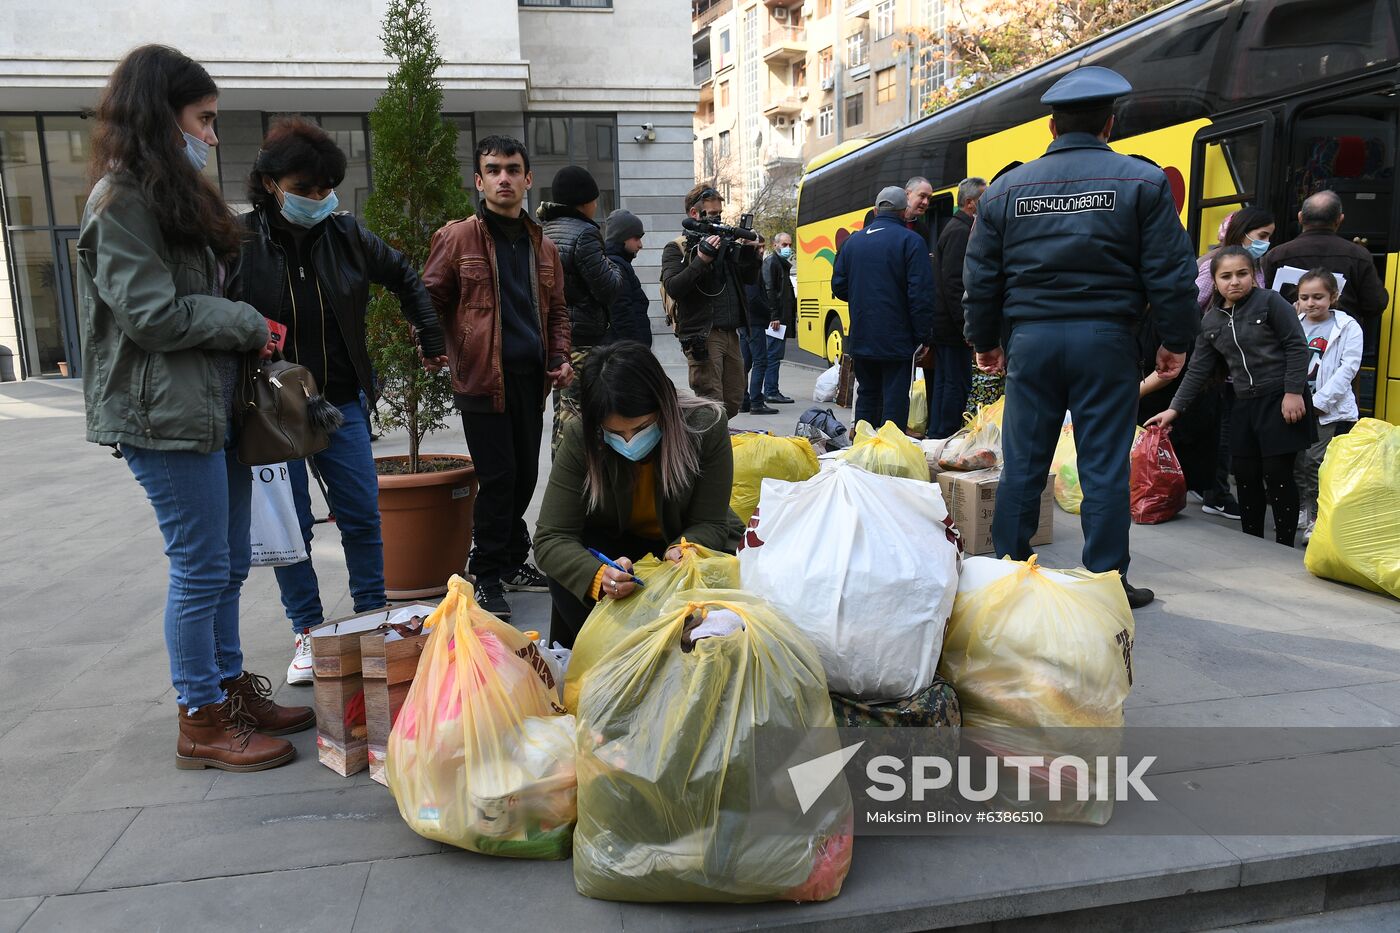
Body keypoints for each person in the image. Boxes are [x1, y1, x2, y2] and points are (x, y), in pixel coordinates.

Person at [79, 45, 312, 771]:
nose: (212, 135)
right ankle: (201, 718)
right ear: (160, 115)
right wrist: (243, 322)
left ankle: (228, 690)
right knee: (201, 566)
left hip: (211, 408)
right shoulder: (120, 200)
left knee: (229, 563)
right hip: (163, 416)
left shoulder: (168, 193)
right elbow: (150, 314)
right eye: (203, 120)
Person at [962, 66, 1199, 609]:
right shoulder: (1140, 182)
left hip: (1033, 341)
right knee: (1103, 465)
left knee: (1023, 461)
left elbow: (981, 277)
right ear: (1109, 125)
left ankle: (1009, 573)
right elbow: (1170, 271)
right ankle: (1105, 580)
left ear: (1051, 126)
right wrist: (1175, 339)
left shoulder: (1004, 191)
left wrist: (985, 340)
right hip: (1107, 341)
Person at [229, 117, 448, 686]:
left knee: (360, 512)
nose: (319, 198)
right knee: (290, 525)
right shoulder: (239, 241)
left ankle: (375, 615)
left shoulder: (347, 235)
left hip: (339, 400)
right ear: (271, 184)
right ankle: (308, 629)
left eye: (327, 187)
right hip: (268, 408)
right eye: (305, 189)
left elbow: (405, 275)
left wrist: (429, 336)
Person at [422, 135, 573, 620]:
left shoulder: (543, 245)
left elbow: (557, 312)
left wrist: (561, 354)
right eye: (493, 170)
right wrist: (433, 344)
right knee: (500, 477)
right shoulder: (458, 237)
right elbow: (429, 298)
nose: (503, 178)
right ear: (479, 180)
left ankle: (508, 559)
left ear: (528, 179)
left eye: (512, 169)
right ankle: (484, 572)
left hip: (532, 379)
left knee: (526, 474)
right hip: (483, 379)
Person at [533, 342, 744, 647]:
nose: (630, 441)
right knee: (567, 572)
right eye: (615, 433)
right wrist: (599, 576)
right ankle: (599, 660)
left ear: (664, 406)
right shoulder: (582, 436)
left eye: (642, 427)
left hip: (680, 540)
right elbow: (551, 538)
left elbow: (709, 521)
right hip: (615, 548)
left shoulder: (705, 426)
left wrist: (684, 549)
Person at [1147, 247, 1312, 547]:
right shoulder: (1210, 321)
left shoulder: (1271, 302)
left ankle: (1284, 544)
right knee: (1246, 474)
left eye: (1242, 274)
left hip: (1280, 399)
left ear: (1254, 275)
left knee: (1277, 473)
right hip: (1242, 403)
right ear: (1214, 281)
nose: (1234, 281)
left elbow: (1297, 346)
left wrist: (1293, 392)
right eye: (1226, 276)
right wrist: (1173, 411)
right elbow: (1196, 371)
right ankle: (1253, 542)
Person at [1189, 208, 1275, 521]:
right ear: (1243, 231)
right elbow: (1193, 303)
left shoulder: (1253, 264)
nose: (1265, 242)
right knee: (1223, 431)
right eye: (1262, 236)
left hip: (1239, 362)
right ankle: (1217, 493)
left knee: (1224, 428)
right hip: (1221, 363)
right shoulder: (1217, 264)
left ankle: (1209, 485)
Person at [832, 186, 935, 432]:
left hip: (862, 334)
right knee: (895, 399)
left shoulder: (853, 242)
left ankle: (863, 450)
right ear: (903, 212)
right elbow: (920, 294)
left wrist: (863, 299)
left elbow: (839, 286)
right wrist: (923, 337)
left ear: (876, 210)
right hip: (897, 338)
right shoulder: (911, 241)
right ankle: (889, 455)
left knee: (867, 394)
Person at [539, 166, 622, 453]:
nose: (596, 205)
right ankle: (575, 485)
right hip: (583, 338)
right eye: (594, 199)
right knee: (581, 417)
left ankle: (562, 478)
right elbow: (609, 287)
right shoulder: (585, 234)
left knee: (563, 414)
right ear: (584, 201)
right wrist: (614, 265)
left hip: (557, 340)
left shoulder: (544, 230)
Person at [661, 185, 761, 417]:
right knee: (710, 401)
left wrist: (752, 255)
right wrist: (702, 259)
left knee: (734, 400)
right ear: (694, 214)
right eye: (713, 214)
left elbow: (748, 278)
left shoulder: (725, 244)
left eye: (720, 214)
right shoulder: (678, 248)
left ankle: (716, 438)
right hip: (703, 335)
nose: (718, 219)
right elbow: (674, 287)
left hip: (730, 333)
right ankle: (711, 446)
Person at [1291, 268, 1362, 540]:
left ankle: (1316, 518)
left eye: (1318, 297)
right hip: (1295, 404)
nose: (1311, 303)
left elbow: (1348, 368)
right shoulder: (1295, 322)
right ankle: (1303, 509)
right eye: (1304, 297)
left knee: (1313, 462)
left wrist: (1321, 402)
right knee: (1297, 463)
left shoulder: (1347, 327)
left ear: (1334, 296)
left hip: (1325, 410)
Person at [1261, 190, 1389, 321]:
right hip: (1341, 338)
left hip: (1288, 337)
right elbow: (1375, 304)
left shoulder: (1276, 255)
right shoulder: (1359, 255)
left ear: (1300, 217)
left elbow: (1262, 302)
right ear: (1340, 219)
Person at [927, 176, 987, 437]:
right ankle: (946, 435)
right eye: (984, 198)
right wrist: (967, 328)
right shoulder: (961, 232)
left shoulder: (956, 228)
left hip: (946, 326)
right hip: (952, 328)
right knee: (955, 384)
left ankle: (938, 434)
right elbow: (955, 285)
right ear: (971, 203)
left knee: (946, 383)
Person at [1195, 207, 1274, 310]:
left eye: (1243, 274)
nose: (1267, 242)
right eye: (1262, 236)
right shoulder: (1213, 265)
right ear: (1241, 233)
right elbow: (1190, 304)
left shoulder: (1257, 267)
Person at [603, 208, 652, 348]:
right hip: (628, 352)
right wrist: (636, 351)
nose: (640, 245)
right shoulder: (616, 265)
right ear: (622, 237)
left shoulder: (619, 263)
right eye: (636, 238)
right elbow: (622, 314)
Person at [759, 231, 798, 406]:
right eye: (784, 245)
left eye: (790, 245)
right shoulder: (772, 262)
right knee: (773, 355)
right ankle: (771, 392)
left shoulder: (781, 263)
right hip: (776, 319)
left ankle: (772, 390)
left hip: (780, 318)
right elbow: (769, 290)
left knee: (775, 354)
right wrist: (773, 315)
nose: (788, 248)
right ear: (775, 245)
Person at [741, 240, 779, 415]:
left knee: (746, 363)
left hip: (746, 322)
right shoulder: (751, 269)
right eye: (759, 247)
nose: (762, 250)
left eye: (763, 246)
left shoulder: (745, 266)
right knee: (760, 362)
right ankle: (756, 401)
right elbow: (754, 299)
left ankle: (744, 400)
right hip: (753, 323)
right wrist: (769, 311)